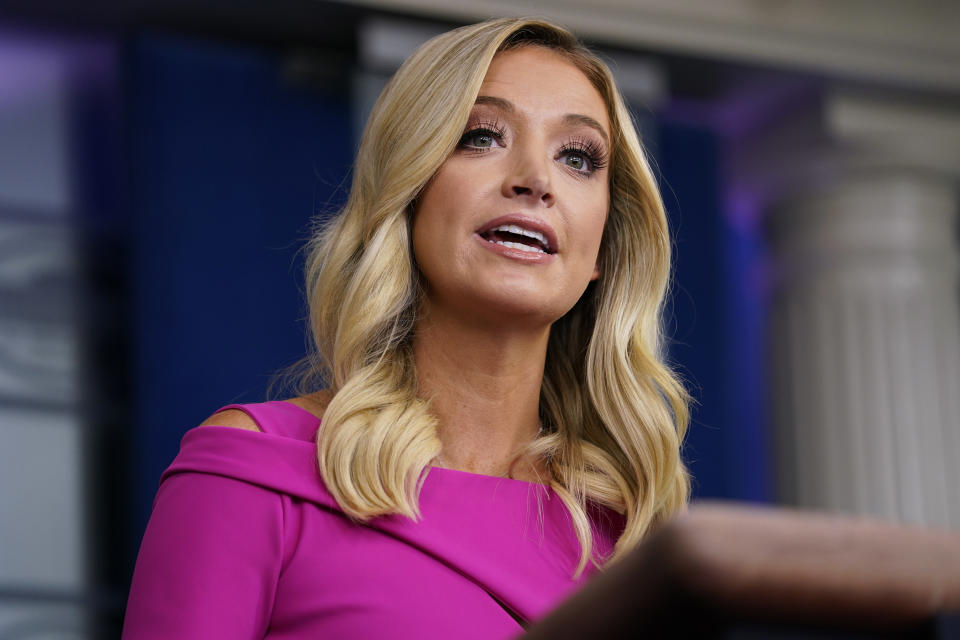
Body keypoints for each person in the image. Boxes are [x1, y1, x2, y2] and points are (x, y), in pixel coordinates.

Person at [122, 16, 689, 639]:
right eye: (481, 136)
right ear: (408, 189)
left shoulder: (633, 538)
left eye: (578, 157)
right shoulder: (256, 471)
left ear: (605, 244)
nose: (534, 179)